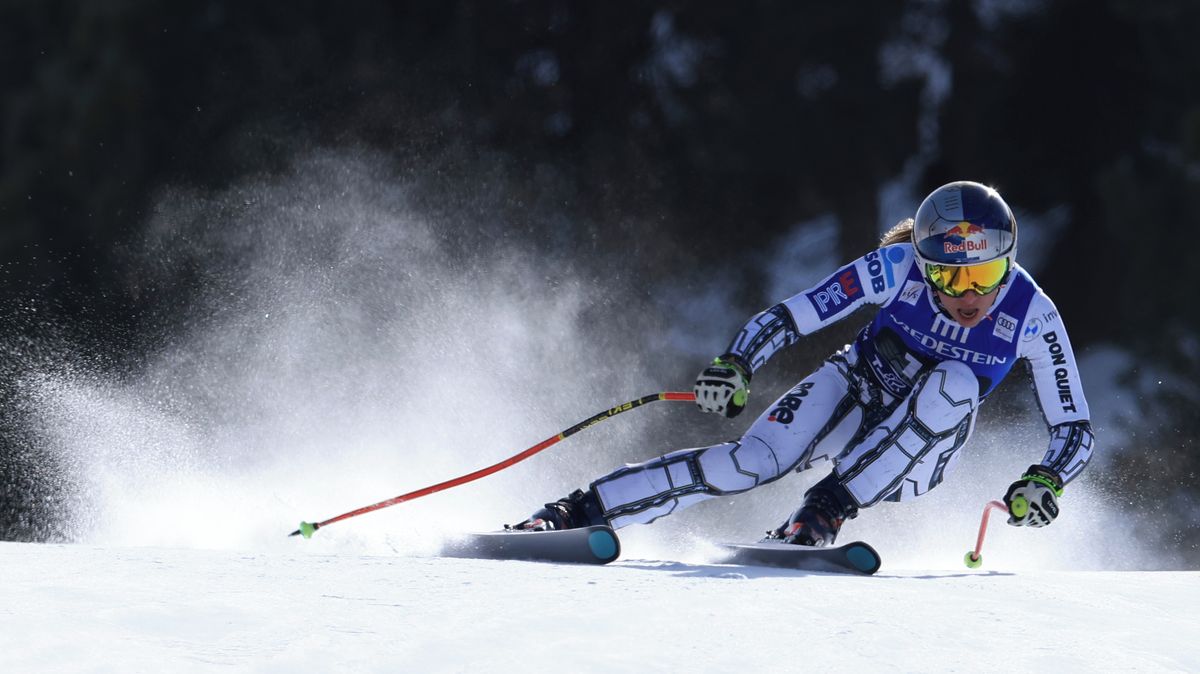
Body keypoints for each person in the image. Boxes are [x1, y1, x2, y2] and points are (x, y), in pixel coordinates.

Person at [512, 181, 1095, 546]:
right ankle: (577, 510)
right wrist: (737, 362)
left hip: (921, 456)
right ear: (924, 263)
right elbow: (798, 313)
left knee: (955, 382)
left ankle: (824, 509)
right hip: (856, 387)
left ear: (1009, 261)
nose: (969, 296)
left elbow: (1073, 426)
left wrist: (1046, 479)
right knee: (748, 463)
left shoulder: (1033, 313)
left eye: (985, 274)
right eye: (949, 276)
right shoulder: (897, 268)